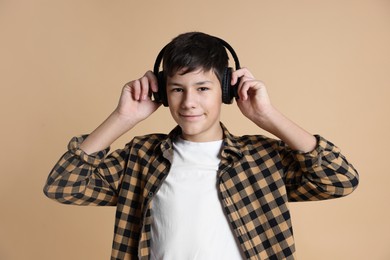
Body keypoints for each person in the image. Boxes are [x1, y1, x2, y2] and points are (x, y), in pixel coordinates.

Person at [43, 32, 359, 260]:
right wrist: (122, 118)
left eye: (203, 88)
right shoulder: (141, 158)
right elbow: (64, 186)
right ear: (163, 95)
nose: (189, 102)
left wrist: (268, 116)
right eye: (177, 89)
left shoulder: (262, 158)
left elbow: (339, 180)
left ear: (225, 89)